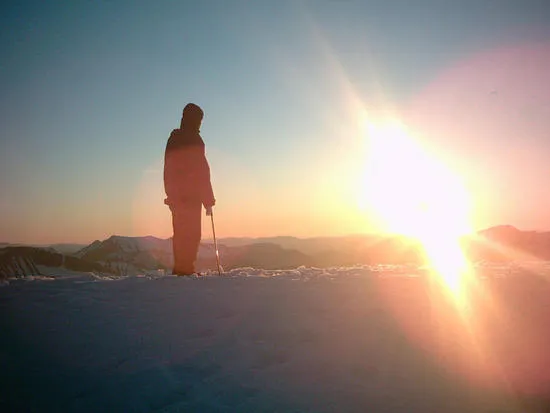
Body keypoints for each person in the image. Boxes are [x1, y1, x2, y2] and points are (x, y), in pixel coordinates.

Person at [163, 103, 215, 275]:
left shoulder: (175, 138)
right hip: (191, 196)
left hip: (179, 196)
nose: (200, 123)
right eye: (199, 119)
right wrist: (208, 200)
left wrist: (171, 195)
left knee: (181, 232)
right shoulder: (194, 140)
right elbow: (203, 172)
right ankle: (185, 270)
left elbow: (168, 169)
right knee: (191, 233)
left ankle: (182, 269)